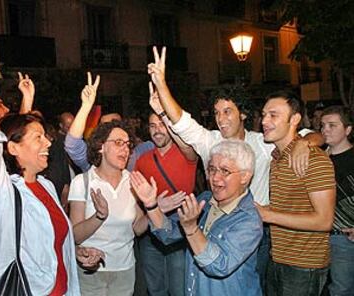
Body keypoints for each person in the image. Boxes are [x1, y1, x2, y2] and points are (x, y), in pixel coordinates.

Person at [147, 46, 324, 293]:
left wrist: (304, 143)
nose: (221, 119)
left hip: (258, 231)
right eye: (217, 113)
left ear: (242, 114)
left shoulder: (263, 142)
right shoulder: (211, 141)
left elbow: (313, 134)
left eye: (227, 111)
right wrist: (162, 93)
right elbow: (183, 123)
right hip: (215, 224)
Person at [0, 5, 102, 295]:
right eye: (38, 138)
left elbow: (49, 241)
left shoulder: (45, 185)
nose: (48, 143)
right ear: (13, 149)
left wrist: (72, 252)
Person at [131, 140, 263, 296]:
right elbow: (168, 233)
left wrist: (192, 229)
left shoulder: (249, 220)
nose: (215, 178)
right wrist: (151, 205)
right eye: (212, 169)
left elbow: (218, 265)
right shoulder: (205, 201)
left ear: (244, 176)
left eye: (225, 171)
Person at [68, 73, 148, 296]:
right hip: (90, 270)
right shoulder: (82, 182)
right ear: (101, 147)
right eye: (119, 143)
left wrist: (153, 208)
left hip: (125, 270)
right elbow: (75, 236)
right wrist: (99, 216)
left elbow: (137, 227)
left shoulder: (132, 182)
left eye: (128, 144)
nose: (125, 149)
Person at [256, 90, 336, 296]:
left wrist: (267, 214)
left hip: (304, 265)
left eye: (273, 115)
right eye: (264, 114)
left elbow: (324, 221)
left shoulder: (314, 159)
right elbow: (288, 206)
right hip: (278, 258)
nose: (264, 120)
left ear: (295, 119)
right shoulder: (277, 158)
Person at [134, 84, 198, 296]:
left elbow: (189, 148)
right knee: (155, 289)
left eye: (162, 124)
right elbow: (137, 201)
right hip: (151, 233)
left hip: (180, 230)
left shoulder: (186, 153)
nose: (157, 130)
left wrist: (163, 111)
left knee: (179, 289)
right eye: (153, 126)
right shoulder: (142, 161)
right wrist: (154, 208)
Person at [320, 105, 354, 296]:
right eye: (323, 125)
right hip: (319, 236)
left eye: (332, 125)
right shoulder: (317, 158)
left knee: (341, 289)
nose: (325, 130)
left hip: (344, 237)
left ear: (347, 130)